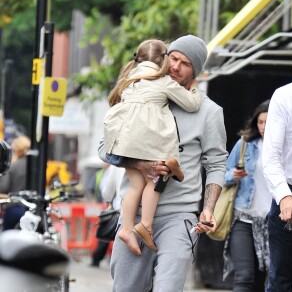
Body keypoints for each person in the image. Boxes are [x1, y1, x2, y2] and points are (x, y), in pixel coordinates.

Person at [98, 34, 228, 291]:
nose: (176, 66)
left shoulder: (208, 111)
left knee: (168, 287)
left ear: (196, 71)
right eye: (174, 58)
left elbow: (216, 163)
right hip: (133, 215)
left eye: (185, 63)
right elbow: (104, 149)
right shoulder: (136, 92)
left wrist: (209, 208)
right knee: (126, 288)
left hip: (178, 216)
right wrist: (140, 165)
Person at [103, 39, 202, 254]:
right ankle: (146, 225)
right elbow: (191, 104)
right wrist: (195, 89)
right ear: (164, 59)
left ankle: (127, 229)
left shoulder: (128, 78)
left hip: (124, 143)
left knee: (135, 186)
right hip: (148, 145)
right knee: (154, 180)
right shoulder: (162, 80)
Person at [222, 100, 271, 292]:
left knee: (262, 279)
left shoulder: (287, 149)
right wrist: (233, 175)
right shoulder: (245, 145)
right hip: (243, 218)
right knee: (244, 276)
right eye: (260, 122)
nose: (264, 127)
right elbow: (221, 176)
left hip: (271, 222)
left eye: (268, 122)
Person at [262, 80, 292, 292]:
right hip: (289, 197)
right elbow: (271, 156)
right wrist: (284, 196)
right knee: (280, 284)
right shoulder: (286, 95)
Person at [0, 135, 31, 230]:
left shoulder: (13, 166)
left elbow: (3, 187)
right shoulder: (36, 165)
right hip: (32, 209)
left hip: (14, 208)